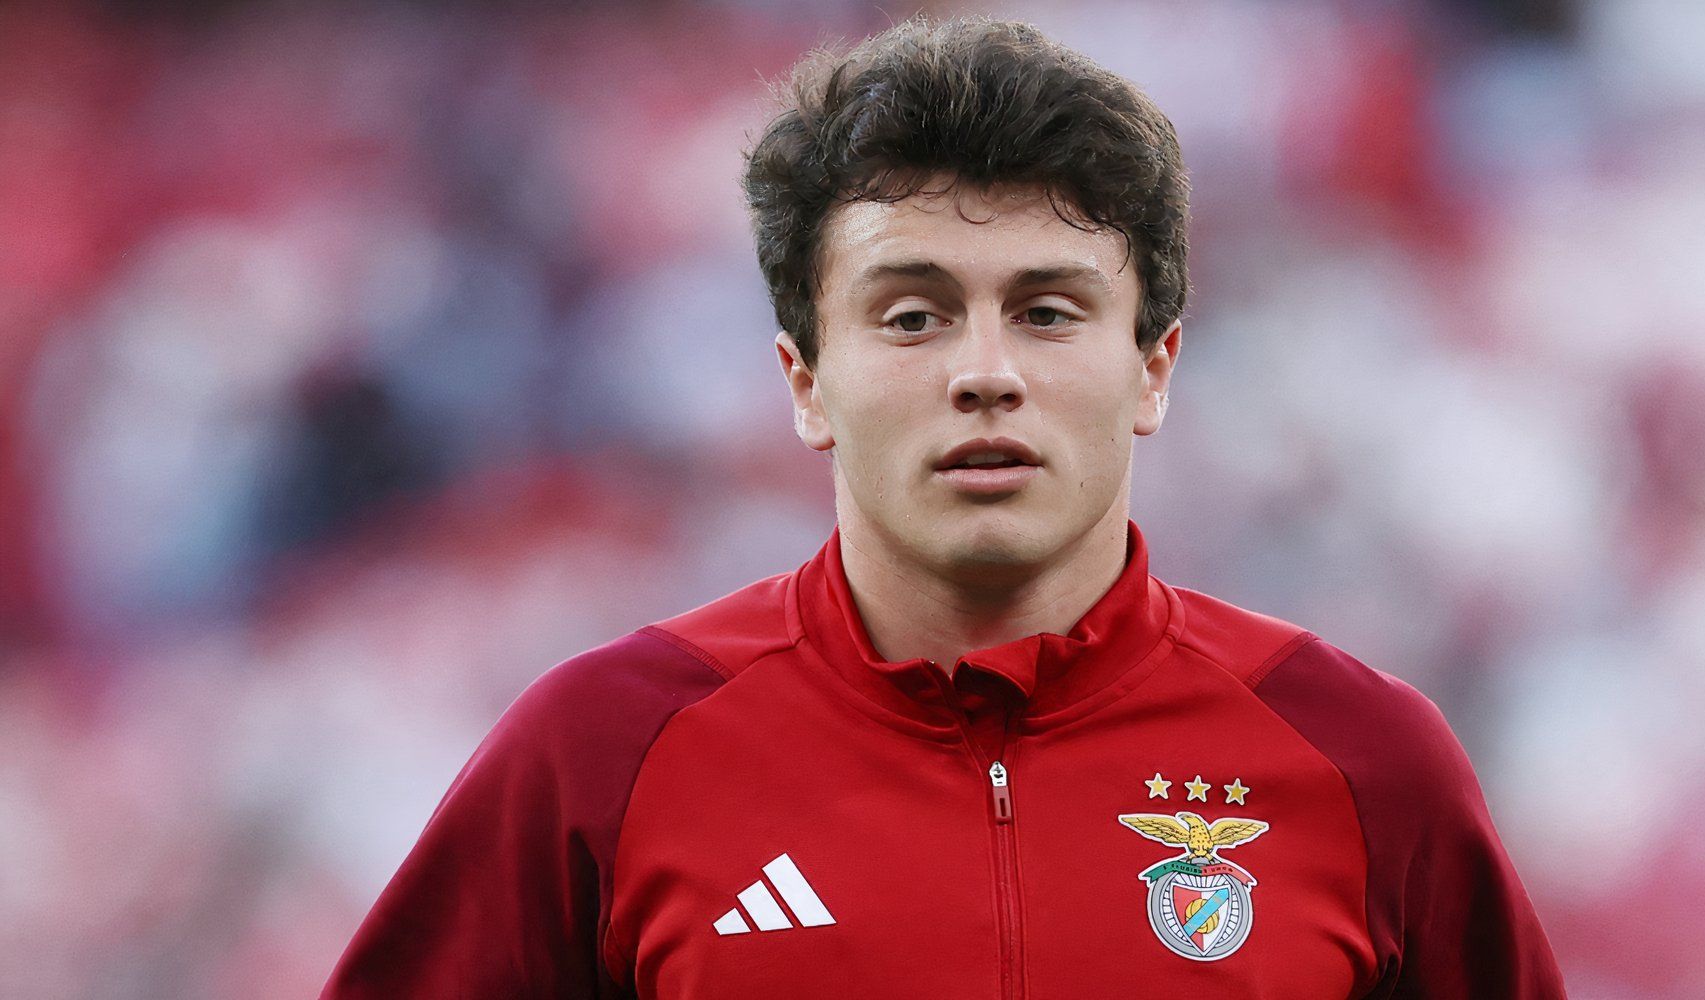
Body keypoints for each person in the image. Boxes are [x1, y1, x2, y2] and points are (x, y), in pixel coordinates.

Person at [320, 15, 1564, 999]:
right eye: (911, 314)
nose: (985, 371)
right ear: (805, 381)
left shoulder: (1360, 760)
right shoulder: (600, 752)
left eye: (1048, 310)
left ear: (1152, 368)